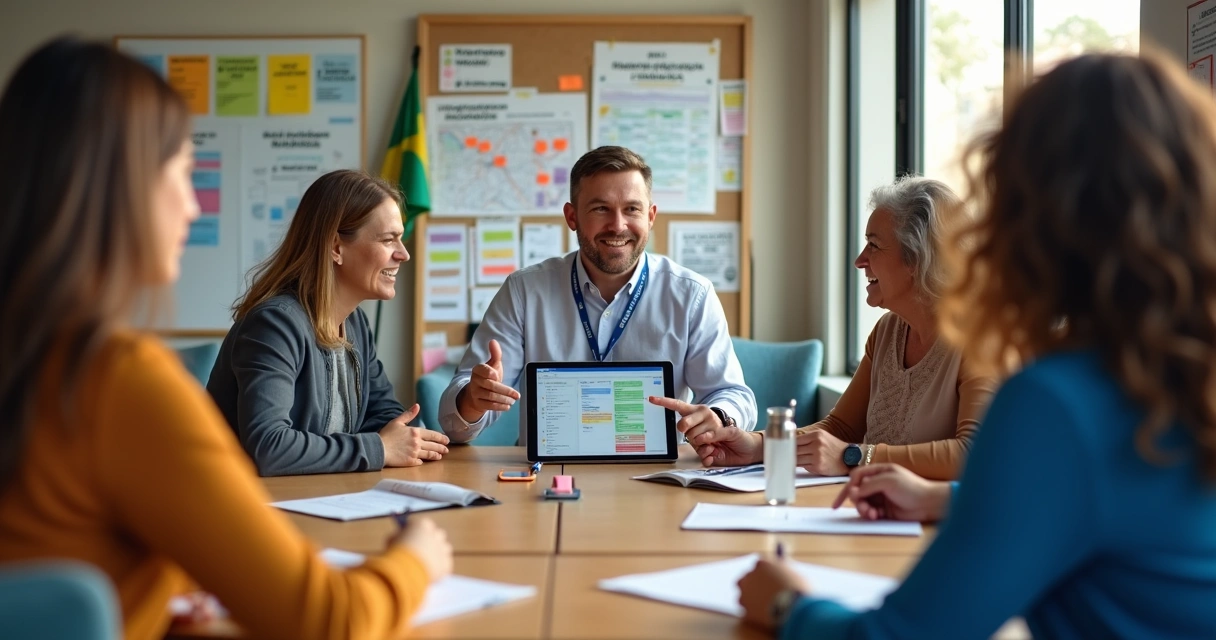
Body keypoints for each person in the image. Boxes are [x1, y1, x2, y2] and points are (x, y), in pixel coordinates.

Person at [738, 51, 1216, 639]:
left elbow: (902, 637)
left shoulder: (1058, 401)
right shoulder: (1179, 375)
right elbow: (1099, 506)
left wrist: (788, 605)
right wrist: (947, 501)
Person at [0, 37, 451, 640]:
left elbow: (59, 562)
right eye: (183, 173)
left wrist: (158, 594)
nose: (192, 207)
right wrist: (416, 560)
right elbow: (329, 619)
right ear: (120, 187)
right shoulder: (116, 377)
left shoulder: (35, 359)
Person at [438, 146, 757, 446]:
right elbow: (454, 423)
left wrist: (719, 416)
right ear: (572, 217)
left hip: (657, 473)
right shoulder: (524, 291)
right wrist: (472, 401)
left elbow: (733, 394)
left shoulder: (692, 295)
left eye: (632, 209)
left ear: (650, 216)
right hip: (549, 472)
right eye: (600, 209)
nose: (617, 226)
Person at [694, 177, 996, 480]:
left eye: (874, 245)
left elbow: (976, 454)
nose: (859, 260)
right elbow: (840, 428)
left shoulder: (981, 340)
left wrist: (855, 457)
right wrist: (758, 446)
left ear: (917, 259)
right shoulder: (887, 331)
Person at [207, 169, 450, 476]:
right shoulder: (274, 325)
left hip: (316, 495)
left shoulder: (355, 322)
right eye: (389, 240)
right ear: (336, 247)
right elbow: (269, 448)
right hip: (244, 499)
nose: (403, 254)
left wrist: (406, 437)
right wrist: (380, 447)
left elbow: (384, 414)